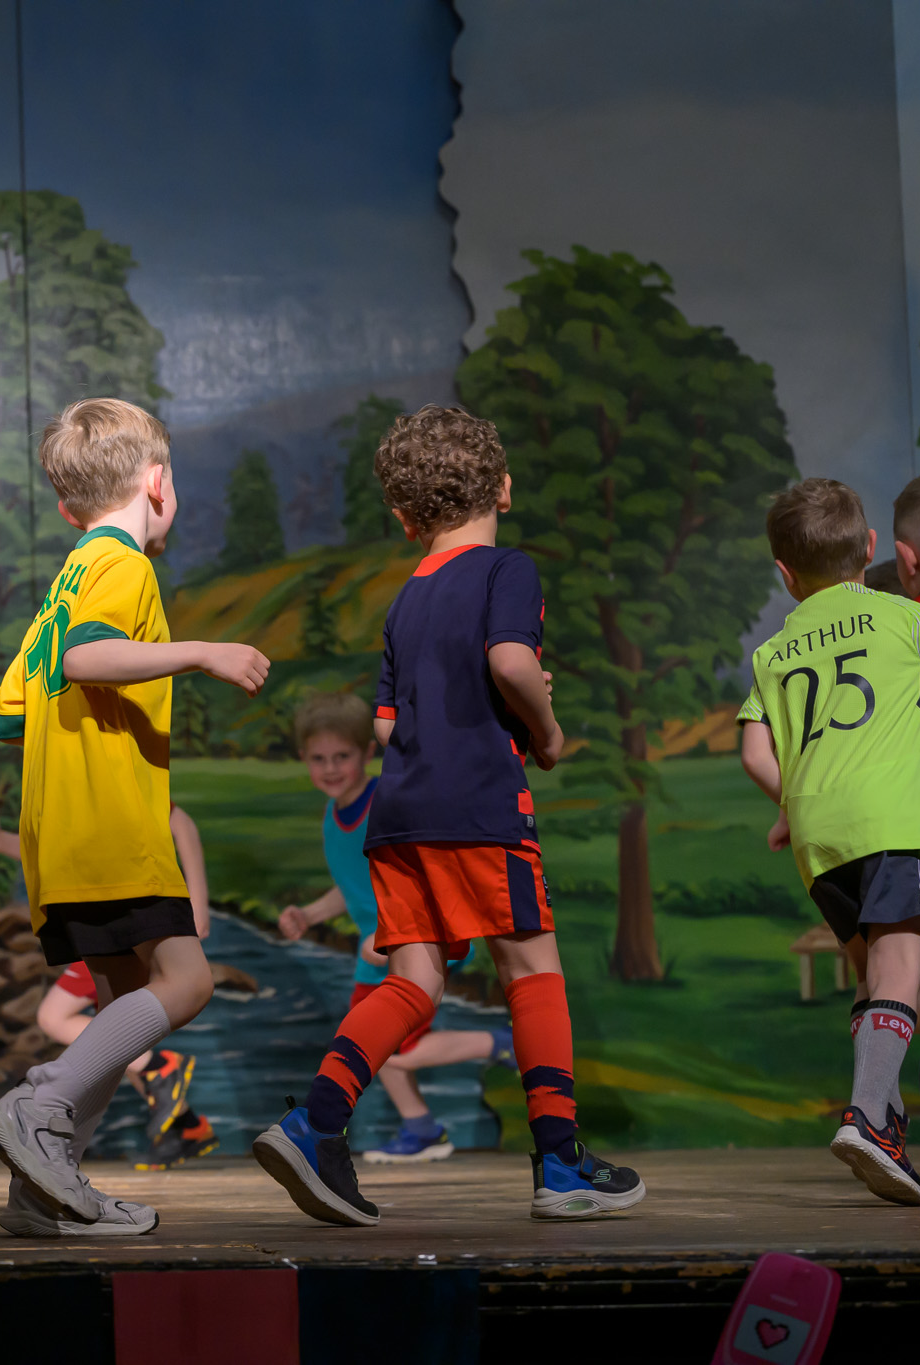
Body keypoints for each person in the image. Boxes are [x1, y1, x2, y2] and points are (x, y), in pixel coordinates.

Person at [252, 405, 644, 1226]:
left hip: (400, 816)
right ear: (504, 488)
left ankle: (314, 1122)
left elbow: (385, 727)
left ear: (404, 518)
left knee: (415, 979)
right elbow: (510, 660)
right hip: (480, 808)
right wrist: (546, 729)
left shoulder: (405, 601)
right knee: (530, 970)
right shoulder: (508, 570)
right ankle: (561, 1162)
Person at [0, 396, 269, 1237]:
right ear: (158, 482)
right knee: (189, 981)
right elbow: (83, 657)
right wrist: (202, 651)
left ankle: (43, 1190)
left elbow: (6, 713)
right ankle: (42, 1106)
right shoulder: (121, 562)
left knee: (123, 1009)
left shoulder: (67, 578)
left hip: (59, 839)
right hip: (111, 825)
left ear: (67, 506)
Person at [738, 478, 920, 1205]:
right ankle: (867, 1116)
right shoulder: (904, 618)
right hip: (893, 822)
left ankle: (887, 1124)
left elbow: (755, 753)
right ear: (871, 548)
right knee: (903, 965)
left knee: (872, 976)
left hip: (818, 838)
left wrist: (790, 805)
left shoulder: (772, 652)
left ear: (785, 574)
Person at [277, 691, 516, 1163]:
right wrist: (311, 915)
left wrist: (391, 935)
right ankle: (421, 1128)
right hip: (378, 954)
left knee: (381, 1048)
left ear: (368, 751)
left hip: (415, 940)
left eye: (342, 756)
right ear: (304, 758)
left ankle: (503, 1044)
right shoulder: (333, 815)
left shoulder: (385, 802)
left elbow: (426, 872)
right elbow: (353, 885)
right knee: (369, 1045)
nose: (330, 768)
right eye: (319, 759)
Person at [0, 802, 219, 1169]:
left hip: (124, 910)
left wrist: (198, 902)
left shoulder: (105, 778)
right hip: (98, 909)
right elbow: (58, 850)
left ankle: (156, 1067)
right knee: (113, 1023)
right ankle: (185, 1124)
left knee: (61, 1016)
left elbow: (179, 819)